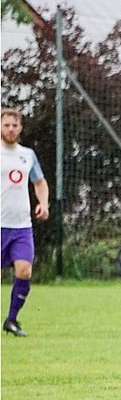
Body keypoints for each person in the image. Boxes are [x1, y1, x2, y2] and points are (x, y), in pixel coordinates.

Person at [1, 108, 49, 337]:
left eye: (14, 125)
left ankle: (11, 320)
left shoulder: (27, 155)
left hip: (21, 227)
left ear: (20, 128)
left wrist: (43, 203)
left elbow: (39, 182)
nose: (10, 129)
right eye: (6, 125)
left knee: (25, 271)